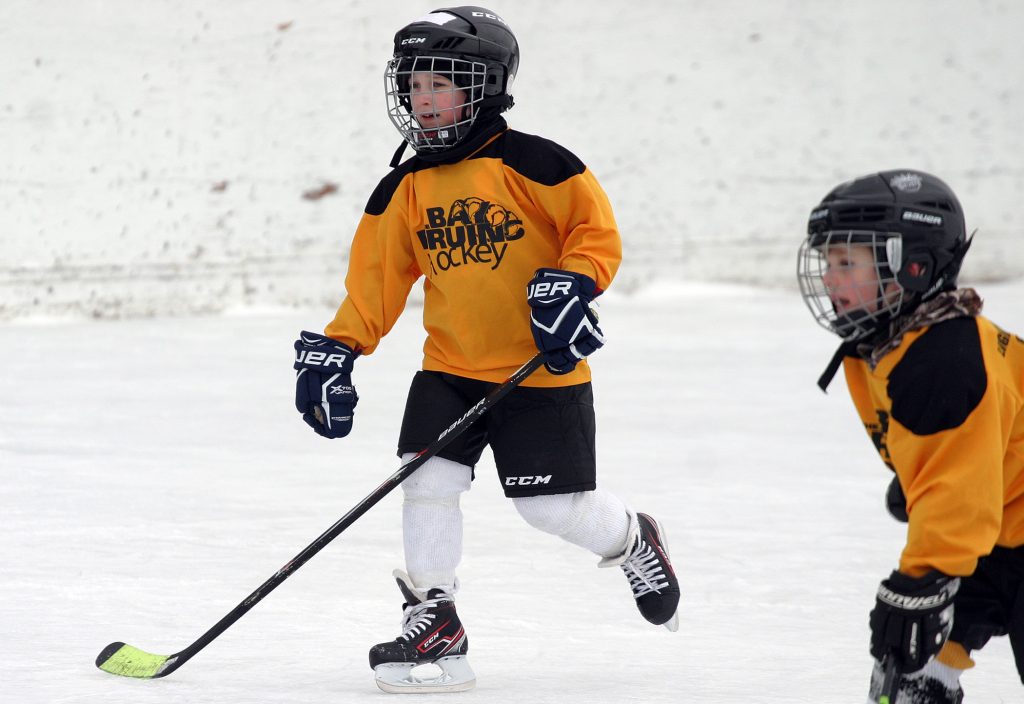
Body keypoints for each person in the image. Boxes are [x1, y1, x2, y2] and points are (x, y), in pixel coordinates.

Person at [292, 6, 680, 693]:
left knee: (551, 510)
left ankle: (632, 540)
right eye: (413, 85)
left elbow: (595, 235)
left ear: (487, 86)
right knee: (426, 479)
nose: (424, 99)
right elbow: (374, 287)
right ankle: (435, 619)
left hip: (540, 371)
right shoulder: (404, 187)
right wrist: (338, 347)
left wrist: (574, 283)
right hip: (450, 370)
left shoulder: (536, 162)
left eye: (441, 82)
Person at [797, 169, 1024, 703]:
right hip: (995, 532)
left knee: (913, 633)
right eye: (828, 263)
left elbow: (960, 490)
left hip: (990, 527)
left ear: (914, 265)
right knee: (909, 677)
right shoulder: (890, 343)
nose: (831, 279)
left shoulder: (943, 357)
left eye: (847, 263)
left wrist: (922, 579)